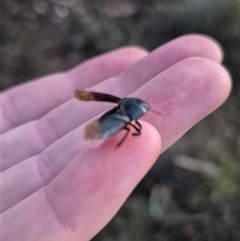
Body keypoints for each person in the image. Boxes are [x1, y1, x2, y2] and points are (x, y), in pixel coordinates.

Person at [2, 35, 231, 241]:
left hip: (113, 117)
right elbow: (123, 119)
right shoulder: (130, 116)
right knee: (125, 131)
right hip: (113, 119)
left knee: (123, 131)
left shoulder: (125, 106)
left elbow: (113, 111)